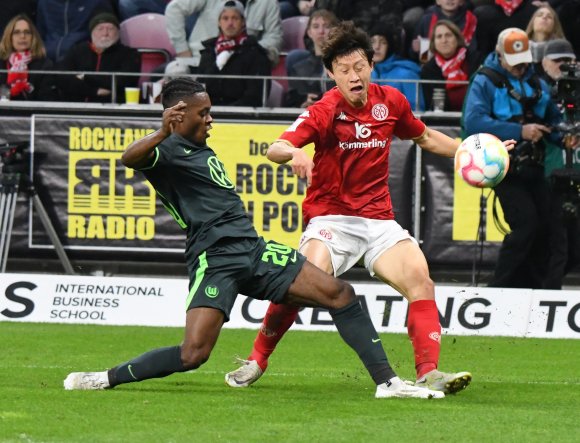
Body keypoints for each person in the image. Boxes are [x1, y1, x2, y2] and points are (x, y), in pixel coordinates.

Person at [63, 76, 444, 400]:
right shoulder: (166, 150)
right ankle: (106, 377)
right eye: (203, 113)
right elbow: (129, 158)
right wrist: (162, 130)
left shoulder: (197, 148)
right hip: (216, 260)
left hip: (254, 249)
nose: (210, 119)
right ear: (178, 114)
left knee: (340, 294)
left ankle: (388, 382)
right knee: (193, 354)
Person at [225, 21, 484, 395]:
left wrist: (468, 154)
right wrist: (296, 151)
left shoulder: (391, 102)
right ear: (331, 74)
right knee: (300, 286)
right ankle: (257, 359)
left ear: (371, 65)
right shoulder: (324, 110)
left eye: (359, 66)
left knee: (420, 280)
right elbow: (275, 148)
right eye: (344, 70)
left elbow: (424, 136)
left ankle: (428, 373)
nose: (354, 75)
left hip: (379, 221)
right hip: (331, 219)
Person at [463, 27, 563, 288]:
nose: (520, 68)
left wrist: (564, 136)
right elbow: (473, 122)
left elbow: (554, 120)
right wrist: (520, 131)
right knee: (526, 224)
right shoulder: (485, 80)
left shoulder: (537, 84)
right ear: (499, 54)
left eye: (524, 63)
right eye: (514, 63)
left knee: (548, 229)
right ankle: (500, 288)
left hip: (535, 167)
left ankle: (537, 289)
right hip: (503, 167)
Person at [539, 38, 580, 289]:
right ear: (544, 63)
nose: (563, 66)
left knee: (573, 249)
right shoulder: (537, 90)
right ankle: (545, 296)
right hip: (549, 175)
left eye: (568, 61)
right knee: (557, 247)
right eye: (558, 61)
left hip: (575, 174)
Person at [164, 0, 283, 73]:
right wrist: (182, 49)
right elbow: (174, 9)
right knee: (174, 71)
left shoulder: (268, 2)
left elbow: (274, 37)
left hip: (242, 66)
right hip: (199, 60)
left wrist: (247, 51)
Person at [197, 1, 272, 107]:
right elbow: (199, 90)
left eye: (235, 18)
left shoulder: (256, 54)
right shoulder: (208, 52)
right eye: (225, 18)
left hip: (240, 118)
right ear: (219, 22)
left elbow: (255, 97)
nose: (230, 23)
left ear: (243, 22)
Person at [55, 12, 141, 103]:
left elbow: (124, 81)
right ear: (92, 32)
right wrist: (94, 91)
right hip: (77, 107)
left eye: (111, 29)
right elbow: (62, 77)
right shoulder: (77, 50)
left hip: (112, 108)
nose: (105, 33)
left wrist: (85, 77)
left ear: (118, 33)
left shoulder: (129, 54)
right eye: (100, 29)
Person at [421, 20, 483, 112]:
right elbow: (430, 104)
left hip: (474, 116)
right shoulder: (428, 69)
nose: (444, 40)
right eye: (439, 37)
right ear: (433, 42)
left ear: (457, 38)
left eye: (448, 35)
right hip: (443, 121)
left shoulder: (476, 59)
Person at [283, 9, 338, 108]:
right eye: (316, 27)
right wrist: (304, 101)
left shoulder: (346, 64)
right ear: (309, 32)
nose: (321, 31)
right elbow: (291, 100)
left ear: (335, 31)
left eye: (327, 27)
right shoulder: (299, 67)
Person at [0, 14, 58, 101]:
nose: (22, 36)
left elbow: (46, 99)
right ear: (9, 37)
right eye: (16, 32)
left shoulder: (44, 65)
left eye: (27, 32)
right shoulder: (1, 63)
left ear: (33, 37)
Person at [36, 0, 115, 62]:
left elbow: (107, 35)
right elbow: (40, 35)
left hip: (81, 61)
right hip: (48, 61)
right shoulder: (44, 3)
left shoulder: (96, 2)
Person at [370, 23, 424, 111]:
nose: (377, 47)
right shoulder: (366, 73)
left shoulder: (407, 74)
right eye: (372, 42)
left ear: (390, 46)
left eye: (383, 42)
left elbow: (417, 112)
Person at [410, 0, 478, 62]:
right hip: (431, 66)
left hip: (461, 66)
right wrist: (416, 50)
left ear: (461, 2)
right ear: (438, 1)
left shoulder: (470, 20)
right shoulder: (426, 20)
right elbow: (416, 55)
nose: (450, 0)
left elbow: (473, 51)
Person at [473, 0, 538, 57]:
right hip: (493, 63)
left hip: (526, 62)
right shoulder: (482, 13)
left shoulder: (535, 11)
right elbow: (481, 49)